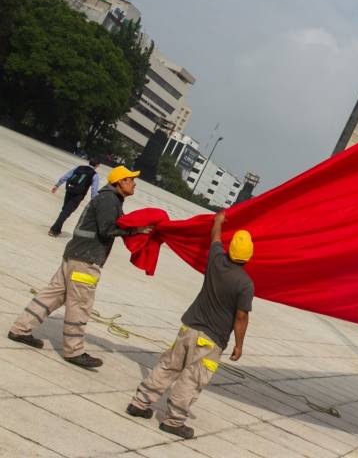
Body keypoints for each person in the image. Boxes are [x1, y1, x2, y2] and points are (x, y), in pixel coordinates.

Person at [126, 211, 254, 440]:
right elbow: (241, 317)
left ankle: (139, 403)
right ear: (249, 256)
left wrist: (218, 221)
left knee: (168, 367)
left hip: (188, 328)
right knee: (191, 380)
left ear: (230, 248)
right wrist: (239, 345)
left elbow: (215, 237)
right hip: (210, 341)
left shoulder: (216, 259)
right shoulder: (245, 284)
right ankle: (173, 421)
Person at [7, 166, 150, 368]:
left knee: (51, 296)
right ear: (120, 182)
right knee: (80, 304)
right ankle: (73, 351)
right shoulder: (110, 200)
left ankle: (20, 329)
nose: (134, 184)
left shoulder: (107, 198)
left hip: (74, 255)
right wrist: (136, 231)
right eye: (131, 180)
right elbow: (107, 230)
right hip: (85, 261)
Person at [48, 159, 100, 237]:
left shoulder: (79, 167)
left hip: (69, 190)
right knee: (66, 212)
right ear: (97, 165)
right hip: (78, 195)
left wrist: (57, 185)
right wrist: (94, 200)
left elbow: (66, 176)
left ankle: (58, 229)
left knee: (65, 210)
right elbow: (94, 189)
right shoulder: (94, 174)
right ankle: (54, 230)